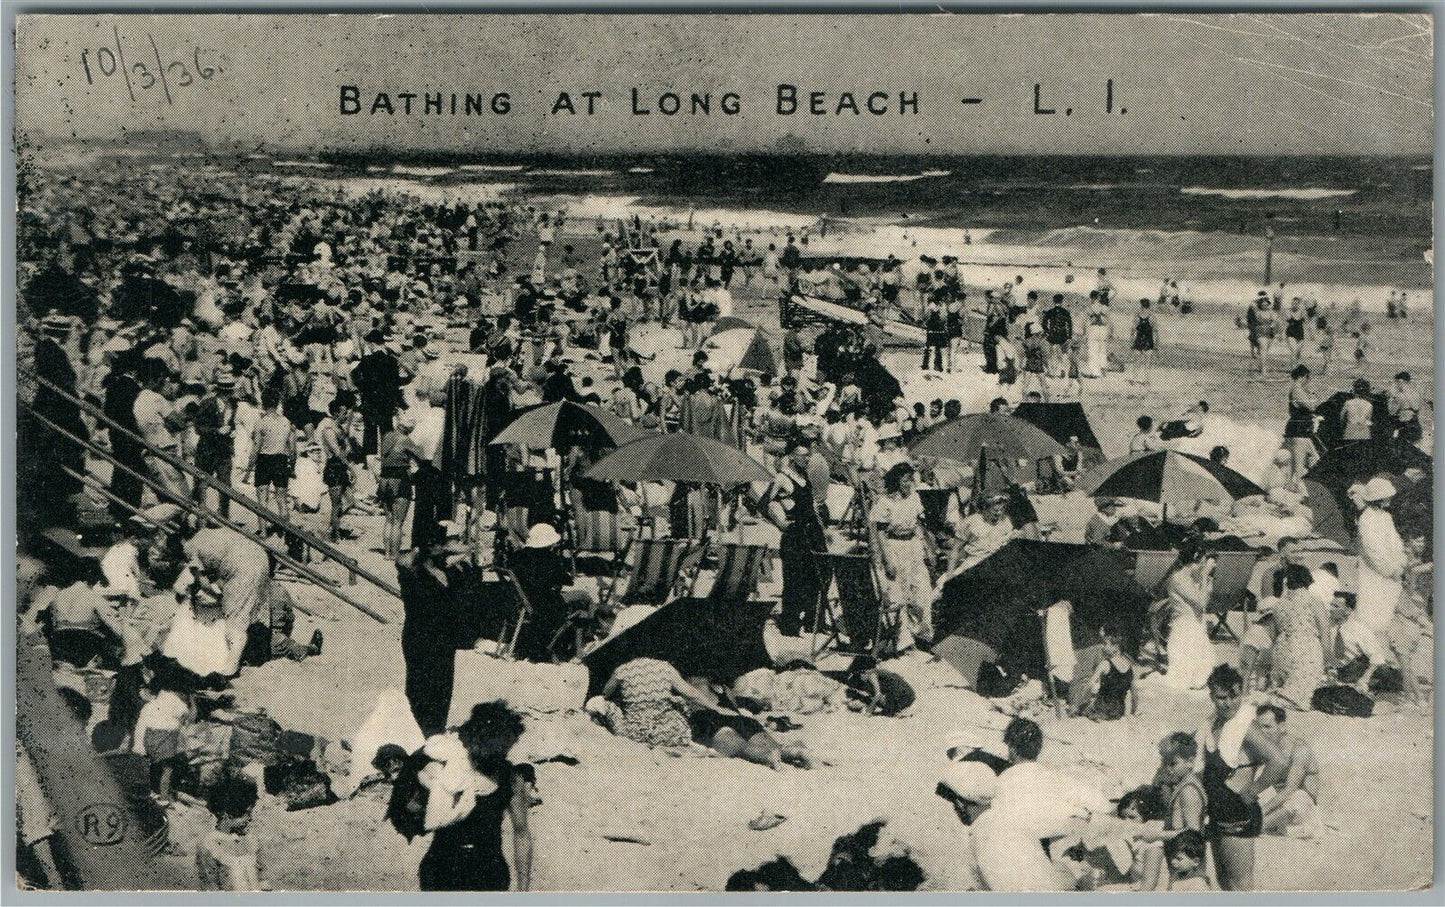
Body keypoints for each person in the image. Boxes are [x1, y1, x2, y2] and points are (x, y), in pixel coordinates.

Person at [970, 718, 1105, 891]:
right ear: (1039, 748)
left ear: (1011, 747)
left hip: (1029, 852)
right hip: (1061, 846)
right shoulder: (1055, 776)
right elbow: (1100, 804)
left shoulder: (1003, 780)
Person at [416, 702, 534, 891]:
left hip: (489, 872)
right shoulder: (448, 769)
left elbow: (521, 833)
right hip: (442, 869)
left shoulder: (511, 779)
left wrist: (524, 892)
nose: (505, 752)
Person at [1197, 664, 1289, 891]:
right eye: (1221, 697)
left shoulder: (1245, 727)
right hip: (1218, 812)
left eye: (1234, 696)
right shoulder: (1214, 724)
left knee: (1240, 887)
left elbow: (1278, 760)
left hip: (1237, 812)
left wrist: (1254, 789)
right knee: (1224, 881)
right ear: (1211, 696)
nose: (1228, 703)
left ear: (1241, 693)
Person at [766, 436, 828, 637]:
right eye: (803, 456)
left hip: (813, 533)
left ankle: (813, 620)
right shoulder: (783, 477)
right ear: (792, 457)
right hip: (796, 536)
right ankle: (791, 623)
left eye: (808, 456)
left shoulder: (804, 476)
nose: (807, 459)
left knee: (820, 574)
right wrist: (782, 522)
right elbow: (769, 502)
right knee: (794, 579)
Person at [869, 463, 933, 652]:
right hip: (894, 547)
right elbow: (879, 533)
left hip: (913, 547)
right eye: (905, 480)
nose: (909, 483)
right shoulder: (885, 503)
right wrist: (887, 559)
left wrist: (926, 547)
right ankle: (904, 640)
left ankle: (922, 632)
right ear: (896, 481)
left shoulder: (914, 498)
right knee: (899, 593)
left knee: (922, 592)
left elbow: (919, 525)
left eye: (911, 479)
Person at [1268, 563, 1333, 710]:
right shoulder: (1312, 599)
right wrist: (1327, 656)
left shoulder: (1279, 604)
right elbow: (1324, 629)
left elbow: (1275, 632)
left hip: (1281, 652)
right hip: (1304, 651)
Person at [1252, 704, 1321, 838]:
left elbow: (1290, 789)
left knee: (1298, 797)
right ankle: (1256, 824)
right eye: (1259, 727)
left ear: (1282, 727)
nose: (1261, 732)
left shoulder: (1299, 749)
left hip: (1301, 812)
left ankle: (1257, 825)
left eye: (1267, 726)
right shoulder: (1265, 749)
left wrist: (1260, 812)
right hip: (1279, 809)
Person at [1159, 545, 1217, 690]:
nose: (1205, 565)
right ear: (1195, 559)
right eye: (1203, 560)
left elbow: (1203, 604)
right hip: (1184, 627)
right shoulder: (1178, 578)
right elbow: (1201, 603)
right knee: (1186, 679)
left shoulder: (1192, 578)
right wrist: (1204, 577)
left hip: (1195, 625)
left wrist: (1206, 580)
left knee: (1202, 674)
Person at [1354, 477, 1405, 638]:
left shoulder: (1385, 516)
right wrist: (1389, 570)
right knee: (1373, 611)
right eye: (1387, 496)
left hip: (1392, 570)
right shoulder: (1367, 519)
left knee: (1390, 608)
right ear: (1379, 498)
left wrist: (1400, 562)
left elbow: (1395, 542)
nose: (1390, 499)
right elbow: (1372, 550)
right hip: (1374, 571)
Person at [196, 772, 262, 890]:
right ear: (226, 814)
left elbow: (262, 879)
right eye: (246, 814)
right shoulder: (208, 846)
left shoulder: (251, 841)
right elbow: (210, 888)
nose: (250, 818)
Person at [245, 386, 296, 526]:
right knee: (281, 498)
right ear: (278, 402)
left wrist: (248, 471)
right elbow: (293, 449)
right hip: (281, 459)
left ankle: (263, 532)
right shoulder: (286, 422)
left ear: (263, 402)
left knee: (262, 499)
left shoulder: (261, 423)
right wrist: (292, 467)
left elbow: (255, 449)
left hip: (264, 459)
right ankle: (287, 531)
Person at [1078, 626, 1135, 720]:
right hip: (1119, 711)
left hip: (1102, 708)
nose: (1103, 647)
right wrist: (1132, 713)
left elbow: (1090, 684)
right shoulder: (1129, 664)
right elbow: (1134, 694)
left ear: (1116, 647)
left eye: (1105, 644)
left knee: (1081, 708)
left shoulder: (1105, 663)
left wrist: (1081, 700)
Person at [1283, 365, 1319, 482]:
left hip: (1301, 430)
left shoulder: (1297, 390)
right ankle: (1295, 490)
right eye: (1308, 377)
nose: (1308, 380)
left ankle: (1295, 488)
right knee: (1298, 468)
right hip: (1299, 430)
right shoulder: (1297, 390)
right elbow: (1312, 406)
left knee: (1314, 458)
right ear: (1302, 377)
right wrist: (1312, 393)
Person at [1041, 294, 1073, 378]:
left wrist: (1047, 331)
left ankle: (1052, 372)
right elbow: (1069, 325)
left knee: (1052, 353)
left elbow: (1043, 323)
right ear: (1062, 301)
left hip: (1052, 335)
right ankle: (1062, 370)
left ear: (1053, 301)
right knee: (1064, 353)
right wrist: (1069, 336)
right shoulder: (1066, 312)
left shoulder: (1050, 311)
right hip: (1063, 335)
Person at [1388, 371, 1423, 445]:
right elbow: (1416, 409)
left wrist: (1391, 398)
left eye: (1396, 383)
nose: (1396, 385)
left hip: (1405, 429)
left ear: (1401, 381)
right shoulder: (1416, 393)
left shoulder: (1399, 395)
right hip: (1416, 428)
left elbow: (1391, 412)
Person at [1341, 378, 1375, 443]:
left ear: (1354, 390)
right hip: (1364, 433)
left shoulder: (1348, 403)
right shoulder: (1369, 405)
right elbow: (1368, 420)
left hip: (1350, 432)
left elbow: (1342, 418)